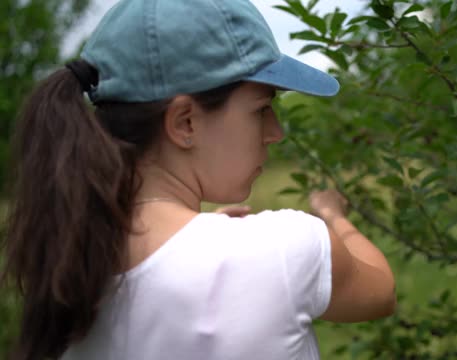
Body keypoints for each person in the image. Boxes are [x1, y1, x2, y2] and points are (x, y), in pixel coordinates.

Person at [0, 0, 396, 359]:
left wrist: (199, 236)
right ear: (185, 122)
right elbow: (381, 291)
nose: (275, 131)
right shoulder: (282, 249)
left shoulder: (69, 266)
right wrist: (333, 216)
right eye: (261, 109)